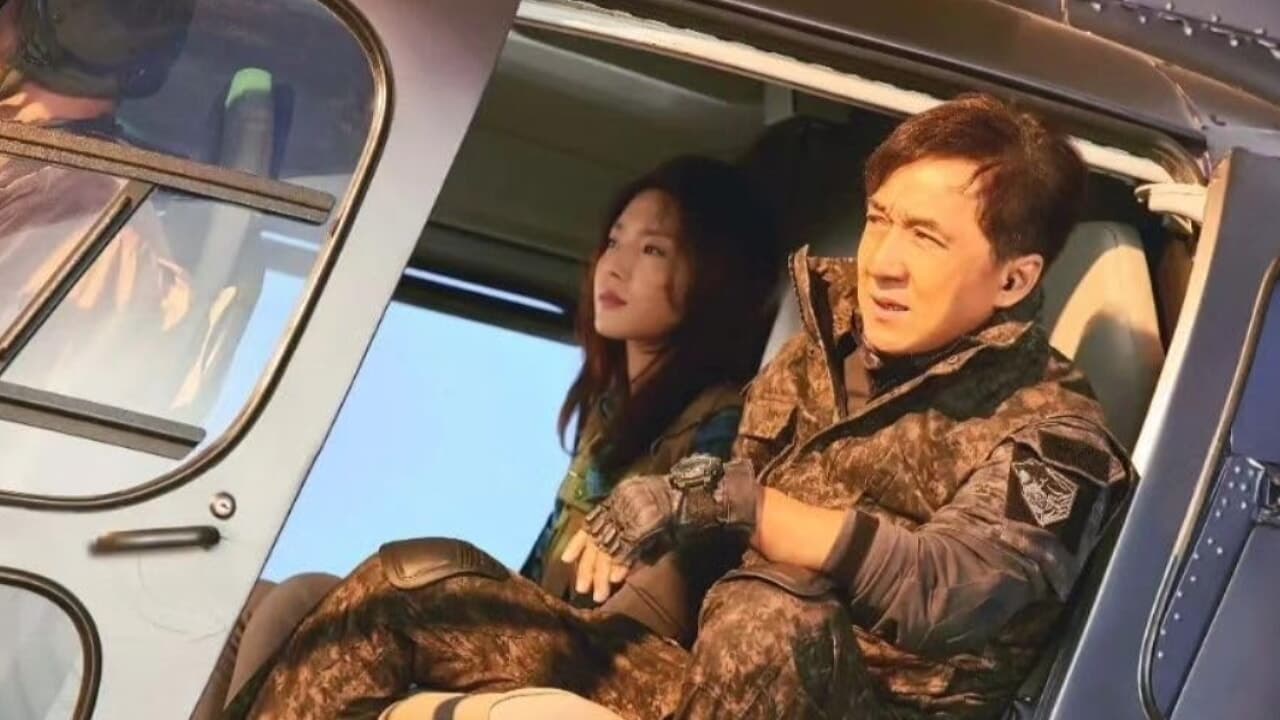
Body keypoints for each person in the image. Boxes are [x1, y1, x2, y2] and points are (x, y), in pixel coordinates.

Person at [230, 94, 1134, 720]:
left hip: (852, 702)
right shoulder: (816, 357)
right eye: (881, 219)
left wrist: (744, 507)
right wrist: (593, 634)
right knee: (413, 581)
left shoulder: (1058, 438)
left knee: (772, 614)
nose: (884, 261)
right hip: (705, 683)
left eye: (926, 237)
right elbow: (710, 535)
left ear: (1014, 278)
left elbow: (950, 588)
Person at [208, 154, 782, 717]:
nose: (614, 266)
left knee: (304, 600)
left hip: (606, 652)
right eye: (614, 241)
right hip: (550, 626)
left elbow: (696, 553)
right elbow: (536, 575)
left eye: (653, 249)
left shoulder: (722, 418)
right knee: (255, 602)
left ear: (713, 277)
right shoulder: (610, 416)